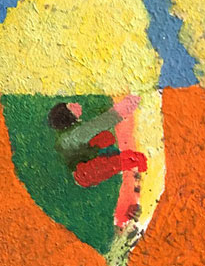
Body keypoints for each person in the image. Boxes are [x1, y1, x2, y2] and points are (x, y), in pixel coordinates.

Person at [47, 96, 147, 225]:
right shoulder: (75, 135)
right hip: (85, 173)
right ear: (69, 116)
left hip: (88, 163)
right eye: (70, 106)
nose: (75, 103)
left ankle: (131, 168)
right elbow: (99, 124)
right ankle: (134, 175)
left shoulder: (71, 133)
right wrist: (125, 108)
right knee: (129, 158)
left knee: (106, 138)